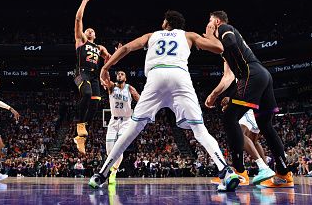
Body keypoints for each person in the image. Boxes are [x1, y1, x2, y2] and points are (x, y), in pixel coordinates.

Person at [89, 10, 240, 192]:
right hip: (180, 77)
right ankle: (226, 170)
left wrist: (105, 67)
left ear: (166, 22)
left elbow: (126, 48)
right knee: (200, 130)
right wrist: (209, 35)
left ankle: (102, 174)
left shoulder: (152, 35)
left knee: (131, 130)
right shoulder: (188, 35)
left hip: (156, 77)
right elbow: (219, 48)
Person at [205, 11, 292, 188]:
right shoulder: (225, 53)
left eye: (210, 21)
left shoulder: (224, 28)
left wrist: (209, 37)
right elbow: (228, 78)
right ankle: (284, 174)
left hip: (252, 73)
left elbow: (228, 43)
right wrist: (215, 94)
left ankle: (240, 172)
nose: (208, 25)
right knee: (266, 126)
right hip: (262, 76)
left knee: (230, 118)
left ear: (217, 20)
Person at [206, 69, 275, 186]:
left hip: (249, 107)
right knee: (253, 141)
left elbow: (244, 88)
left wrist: (225, 99)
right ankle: (266, 172)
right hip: (254, 105)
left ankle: (242, 172)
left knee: (238, 134)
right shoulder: (249, 67)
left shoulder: (241, 64)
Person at [73, 0, 111, 154]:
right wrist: (84, 2)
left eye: (92, 31)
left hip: (95, 76)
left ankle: (80, 138)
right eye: (87, 30)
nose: (89, 31)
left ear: (95, 35)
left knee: (96, 104)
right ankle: (80, 124)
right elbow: (78, 20)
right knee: (87, 94)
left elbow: (108, 60)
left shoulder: (100, 47)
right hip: (81, 73)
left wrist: (113, 55)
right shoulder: (81, 41)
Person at [104, 70, 140, 185]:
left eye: (122, 74)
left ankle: (113, 172)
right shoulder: (111, 87)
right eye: (118, 74)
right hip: (113, 121)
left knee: (119, 148)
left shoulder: (129, 88)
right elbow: (104, 76)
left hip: (126, 121)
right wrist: (107, 63)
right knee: (109, 150)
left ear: (125, 78)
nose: (119, 75)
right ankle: (111, 168)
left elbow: (140, 100)